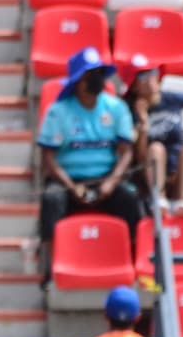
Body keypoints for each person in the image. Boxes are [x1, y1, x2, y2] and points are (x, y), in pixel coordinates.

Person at [37, 46, 142, 282]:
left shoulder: (116, 107)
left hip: (106, 178)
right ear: (77, 82)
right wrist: (71, 187)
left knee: (130, 198)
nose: (96, 79)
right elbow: (48, 157)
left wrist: (111, 183)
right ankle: (52, 268)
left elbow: (126, 152)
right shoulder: (59, 111)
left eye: (98, 73)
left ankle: (134, 262)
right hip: (68, 180)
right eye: (89, 75)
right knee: (51, 199)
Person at [118, 54, 183, 217]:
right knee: (156, 148)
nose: (150, 79)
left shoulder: (170, 97)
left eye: (152, 72)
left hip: (177, 169)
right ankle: (159, 200)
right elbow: (139, 156)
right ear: (133, 86)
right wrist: (144, 123)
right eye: (142, 76)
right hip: (148, 172)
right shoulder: (128, 110)